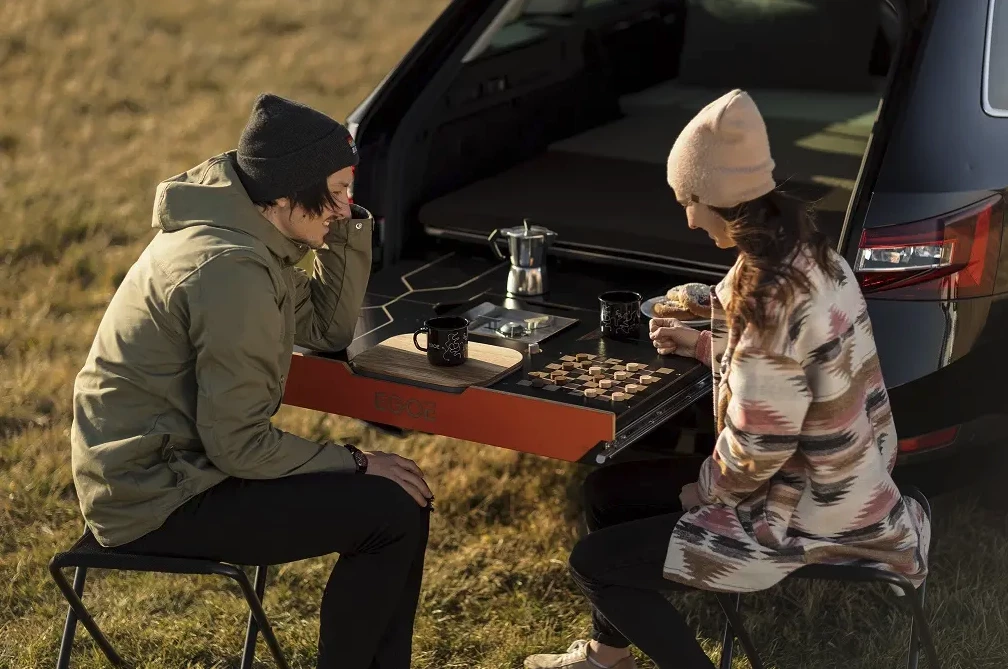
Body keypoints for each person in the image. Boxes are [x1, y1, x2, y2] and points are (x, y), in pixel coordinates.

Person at [524, 89, 931, 669]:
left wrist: (705, 492)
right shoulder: (810, 251)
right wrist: (703, 340)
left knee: (594, 563)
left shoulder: (768, 296)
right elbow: (789, 371)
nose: (687, 218)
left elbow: (758, 446)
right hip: (843, 475)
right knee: (605, 493)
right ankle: (605, 659)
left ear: (717, 199)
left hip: (806, 510)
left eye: (688, 200)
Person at [71, 93, 434, 669]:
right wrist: (358, 461)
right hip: (158, 498)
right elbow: (239, 445)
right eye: (336, 193)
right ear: (287, 192)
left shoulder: (244, 236)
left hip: (174, 472)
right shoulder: (231, 269)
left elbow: (325, 325)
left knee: (396, 501)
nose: (345, 207)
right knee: (391, 511)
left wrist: (342, 228)